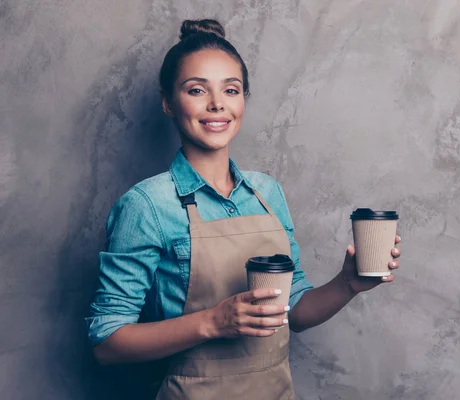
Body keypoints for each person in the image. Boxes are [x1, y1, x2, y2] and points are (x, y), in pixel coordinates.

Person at [86, 18, 402, 400]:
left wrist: (348, 283)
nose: (217, 103)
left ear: (243, 100)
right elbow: (107, 343)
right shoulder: (147, 205)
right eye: (196, 89)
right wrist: (214, 322)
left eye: (231, 89)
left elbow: (294, 312)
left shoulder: (266, 192)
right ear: (168, 102)